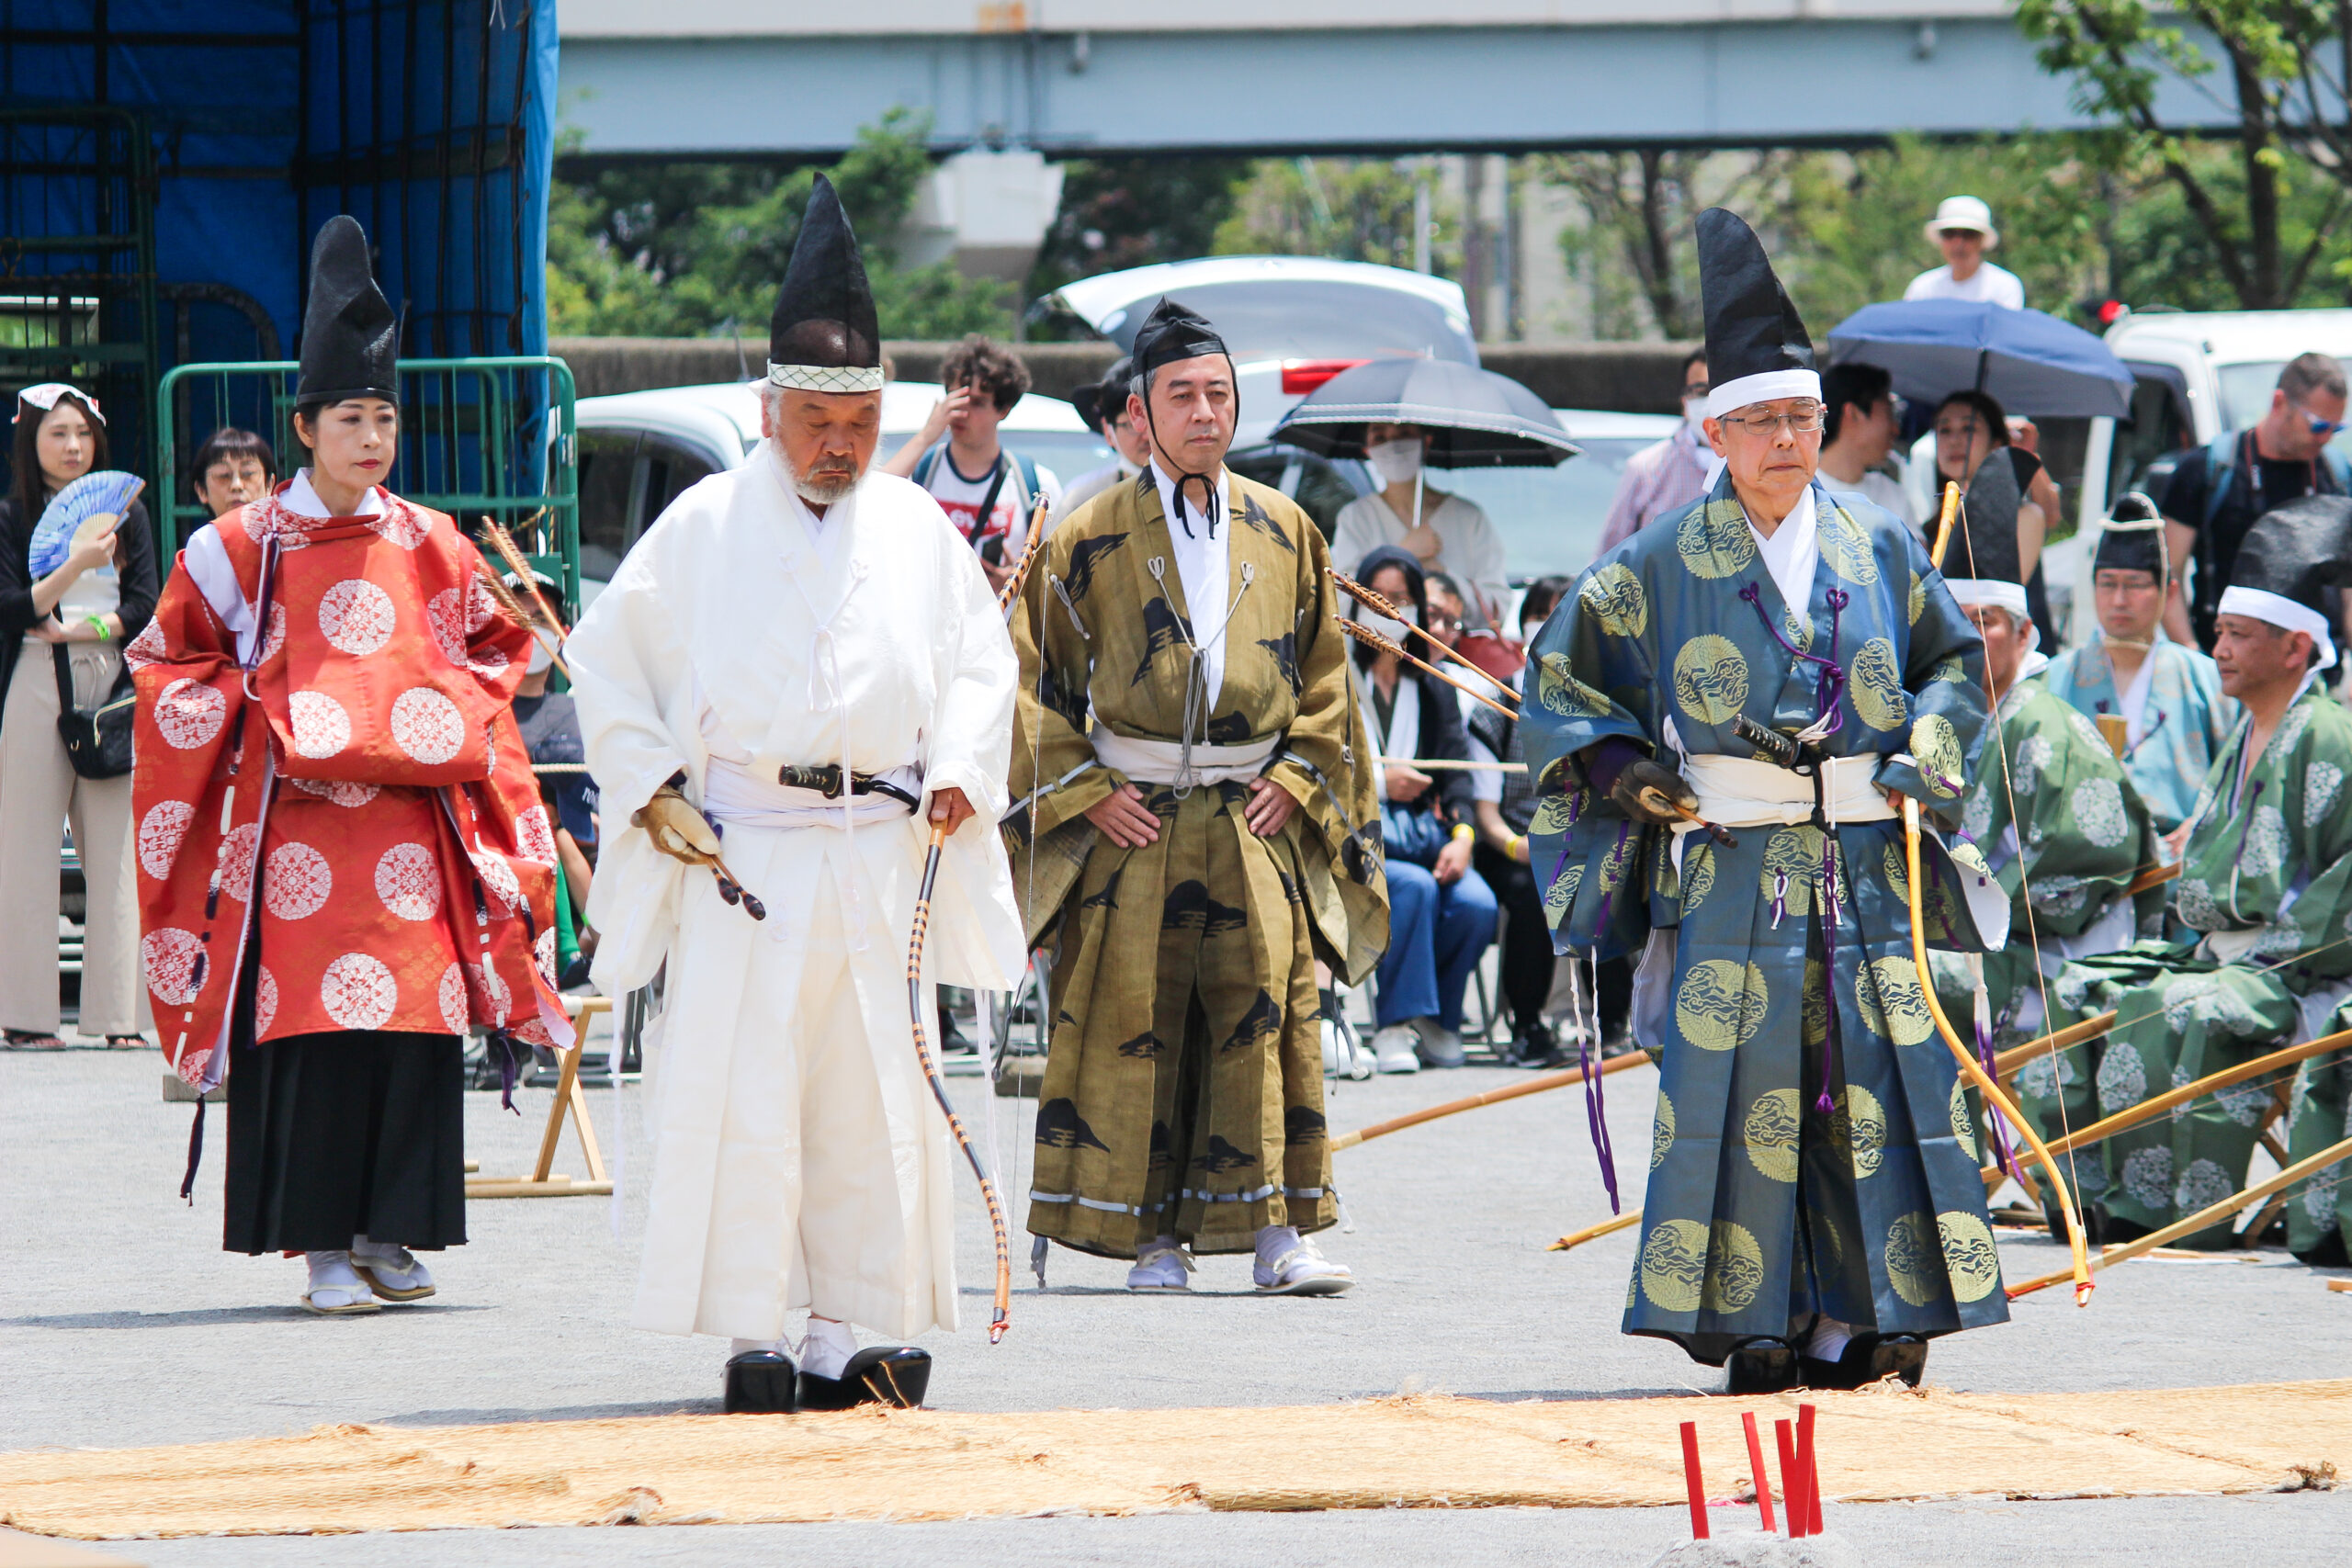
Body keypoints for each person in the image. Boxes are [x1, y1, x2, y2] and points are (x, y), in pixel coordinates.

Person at [1526, 209, 2004, 1393]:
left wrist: (1928, 753)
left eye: (1803, 416)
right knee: (1741, 1096)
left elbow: (1954, 663)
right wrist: (1623, 772)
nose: (1787, 438)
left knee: (1880, 1085)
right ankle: (1752, 1322)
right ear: (1714, 433)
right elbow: (1563, 681)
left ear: (1824, 424)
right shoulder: (1649, 563)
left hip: (1863, 849)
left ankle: (1872, 1317)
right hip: (1734, 853)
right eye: (1760, 420)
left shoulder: (1883, 544)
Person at [567, 175, 1023, 1414]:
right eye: (816, 418)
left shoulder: (921, 529)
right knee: (750, 1091)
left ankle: (853, 1327)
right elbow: (604, 657)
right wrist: (656, 783)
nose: (837, 444)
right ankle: (757, 1327)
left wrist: (959, 773)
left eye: (859, 424)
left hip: (880, 839)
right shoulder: (705, 524)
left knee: (872, 1093)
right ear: (771, 409)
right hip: (751, 851)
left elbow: (986, 662)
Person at [129, 216, 565, 1314]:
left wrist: (432, 712)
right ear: (305, 426)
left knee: (411, 1023)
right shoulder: (233, 548)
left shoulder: (432, 540)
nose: (372, 438)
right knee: (314, 1025)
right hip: (294, 833)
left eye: (386, 418)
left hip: (411, 824)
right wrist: (263, 712)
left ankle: (392, 1231)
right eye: (350, 418)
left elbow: (499, 650)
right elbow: (168, 667)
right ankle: (320, 1241)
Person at [1007, 296, 1387, 1298]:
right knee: (1140, 1019)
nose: (1204, 413)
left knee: (1266, 1015)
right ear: (1140, 409)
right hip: (1131, 812)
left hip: (1250, 812)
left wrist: (1298, 777)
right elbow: (1027, 685)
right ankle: (1150, 1240)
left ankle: (1276, 1234)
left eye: (1219, 393)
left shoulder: (1285, 526)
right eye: (1181, 395)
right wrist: (1087, 790)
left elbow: (1325, 678)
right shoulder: (1083, 534)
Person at [2051, 495, 2352, 1249]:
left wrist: (2280, 952)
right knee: (2086, 987)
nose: (2218, 648)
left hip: (2297, 965)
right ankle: (2091, 1196)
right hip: (2218, 949)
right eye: (2218, 631)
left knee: (2176, 1005)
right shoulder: (2248, 726)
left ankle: (2182, 1209)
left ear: (2293, 649)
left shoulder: (2328, 733)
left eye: (2238, 635)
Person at [1925, 508, 2154, 1168]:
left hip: (2052, 949)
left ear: (2024, 633)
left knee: (1907, 977)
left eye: (1986, 624)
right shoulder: (1968, 718)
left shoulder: (2044, 724)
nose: (1970, 642)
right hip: (1990, 935)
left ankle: (1951, 1166)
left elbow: (2087, 868)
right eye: (1955, 627)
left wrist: (1955, 911)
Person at [0, 383, 160, 1049]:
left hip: (113, 680)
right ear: (31, 440)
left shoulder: (129, 512)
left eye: (82, 434)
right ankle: (28, 1016)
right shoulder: (11, 515)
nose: (72, 446)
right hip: (34, 676)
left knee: (118, 855)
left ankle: (119, 1019)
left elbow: (147, 603)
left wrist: (90, 626)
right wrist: (77, 567)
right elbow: (13, 605)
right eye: (57, 433)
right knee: (26, 852)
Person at [1351, 547, 1494, 1074]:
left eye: (1404, 598)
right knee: (1413, 887)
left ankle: (1440, 1019)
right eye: (1380, 596)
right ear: (1358, 599)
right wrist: (1381, 784)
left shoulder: (1432, 682)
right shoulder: (1336, 677)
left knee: (1477, 901)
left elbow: (1456, 771)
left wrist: (1463, 836)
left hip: (1422, 835)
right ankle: (1393, 1024)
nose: (1391, 608)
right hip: (1355, 838)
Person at [2041, 496, 2237, 857]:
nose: (2118, 600)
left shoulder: (2208, 680)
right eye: (2107, 583)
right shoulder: (2052, 680)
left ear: (2168, 590)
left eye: (2134, 584)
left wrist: (2200, 827)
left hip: (2179, 866)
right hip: (2076, 867)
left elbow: (2235, 781)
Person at [2148, 353, 2349, 653]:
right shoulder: (2208, 470)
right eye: (2319, 426)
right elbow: (2167, 573)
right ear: (2279, 403)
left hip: (2317, 667)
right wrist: (2195, 659)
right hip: (2229, 667)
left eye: (2337, 429)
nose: (2326, 439)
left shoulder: (2336, 474)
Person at [1467, 574, 1588, 1068]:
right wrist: (1529, 848)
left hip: (1580, 841)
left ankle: (1615, 1018)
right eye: (1542, 614)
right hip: (1513, 845)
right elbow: (1486, 814)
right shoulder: (1495, 709)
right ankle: (1528, 1025)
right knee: (1534, 890)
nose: (1550, 625)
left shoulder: (1592, 709)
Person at [882, 333, 1062, 592]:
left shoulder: (1035, 484)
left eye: (977, 403)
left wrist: (1019, 584)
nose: (962, 413)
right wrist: (925, 436)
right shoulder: (922, 471)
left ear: (1004, 410)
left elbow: (1061, 575)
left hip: (1003, 627)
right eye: (957, 398)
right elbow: (873, 499)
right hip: (931, 627)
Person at [1330, 422, 1510, 624]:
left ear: (1426, 442)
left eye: (1404, 434)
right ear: (1367, 450)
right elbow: (1344, 604)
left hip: (1454, 653)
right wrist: (1401, 555)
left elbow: (1497, 609)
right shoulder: (1355, 517)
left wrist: (1444, 576)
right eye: (1380, 437)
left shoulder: (1468, 517)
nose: (1394, 446)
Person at [503, 570, 596, 945]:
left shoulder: (585, 712)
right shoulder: (480, 715)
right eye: (517, 619)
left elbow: (606, 813)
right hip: (509, 893)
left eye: (541, 619)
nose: (531, 630)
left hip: (587, 896)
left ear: (562, 635)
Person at [1931, 390, 2061, 649]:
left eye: (1969, 429)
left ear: (1996, 442)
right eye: (1944, 431)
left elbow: (1999, 604)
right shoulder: (1936, 517)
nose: (1955, 441)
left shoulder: (2023, 516)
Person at [1594, 349, 1713, 558]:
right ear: (1684, 402)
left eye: (1718, 391)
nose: (1710, 402)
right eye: (1701, 391)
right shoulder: (1648, 469)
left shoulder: (1759, 465)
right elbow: (1609, 559)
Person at [1815, 363, 1913, 528]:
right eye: (1889, 413)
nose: (1895, 429)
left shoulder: (1892, 493)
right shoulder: (1804, 493)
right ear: (1853, 414)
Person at [1060, 355, 1152, 516]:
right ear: (1108, 431)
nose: (1146, 435)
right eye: (1131, 425)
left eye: (1153, 422)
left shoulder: (1198, 493)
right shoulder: (1083, 503)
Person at [1902, 197, 2025, 310]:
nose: (1958, 243)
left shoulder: (2004, 287)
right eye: (1949, 234)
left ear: (1981, 240)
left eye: (1968, 234)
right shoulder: (1923, 288)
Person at [189, 427, 277, 520]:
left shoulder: (288, 533)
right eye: (223, 476)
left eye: (248, 474)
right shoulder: (201, 535)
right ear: (202, 491)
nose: (237, 485)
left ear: (269, 485)